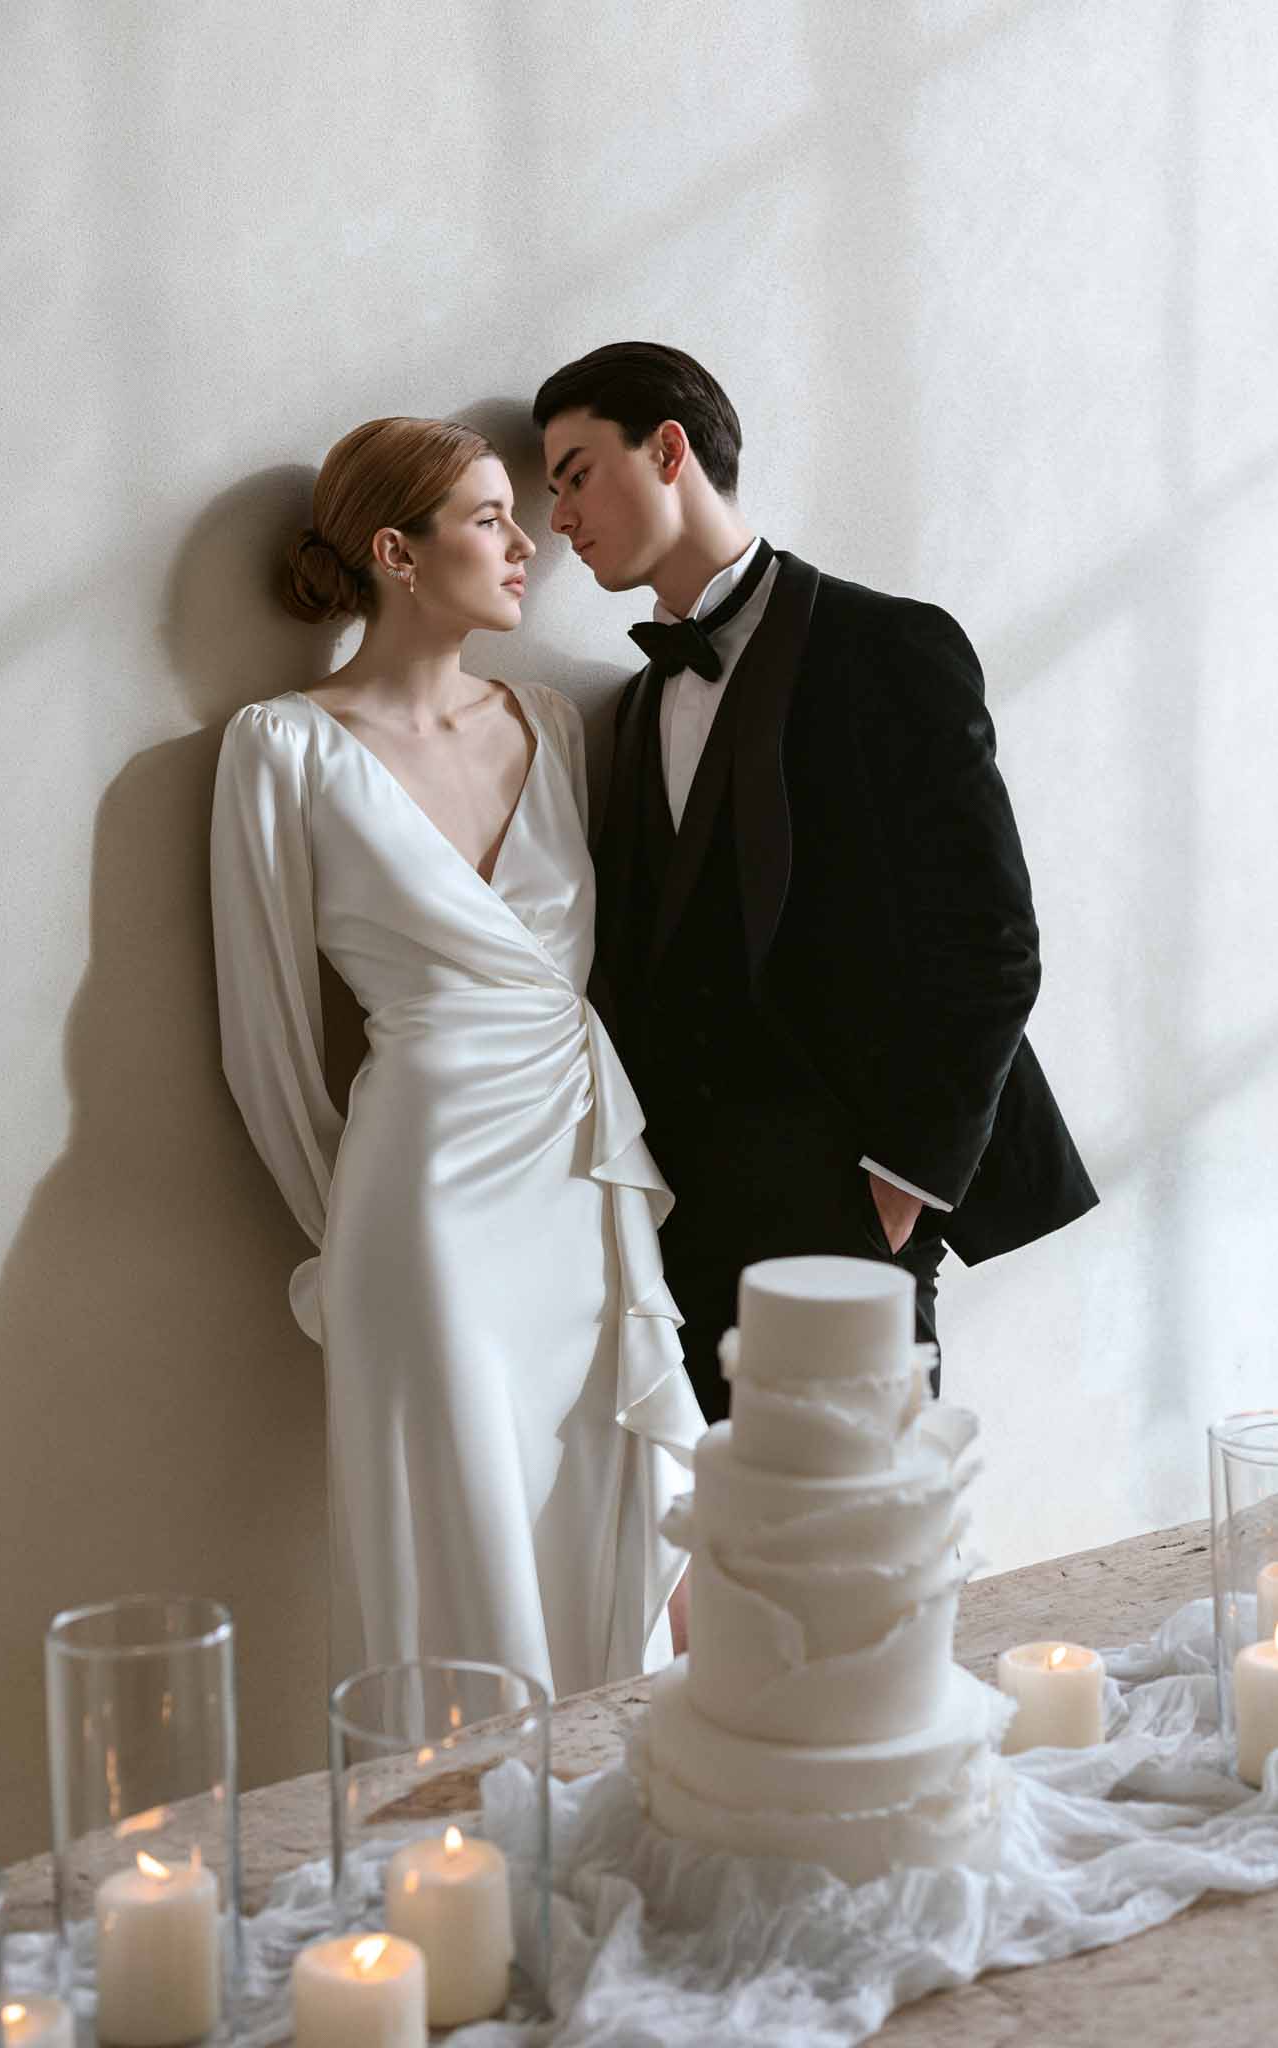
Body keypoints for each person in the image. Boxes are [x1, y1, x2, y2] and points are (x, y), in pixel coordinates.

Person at [210, 416, 703, 1696]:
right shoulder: (285, 747)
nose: (526, 539)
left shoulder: (550, 718)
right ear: (396, 552)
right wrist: (361, 1245)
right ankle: (468, 1856)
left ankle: (609, 1823)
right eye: (489, 516)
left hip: (586, 1181)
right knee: (458, 1550)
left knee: (609, 1506)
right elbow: (264, 1047)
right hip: (420, 1209)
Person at [533, 342, 1098, 1425]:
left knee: (865, 1525)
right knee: (727, 1545)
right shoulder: (638, 703)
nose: (558, 516)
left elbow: (991, 941)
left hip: (853, 1184)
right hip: (687, 1201)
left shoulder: (887, 647)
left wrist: (900, 1185)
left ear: (667, 449)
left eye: (573, 472)